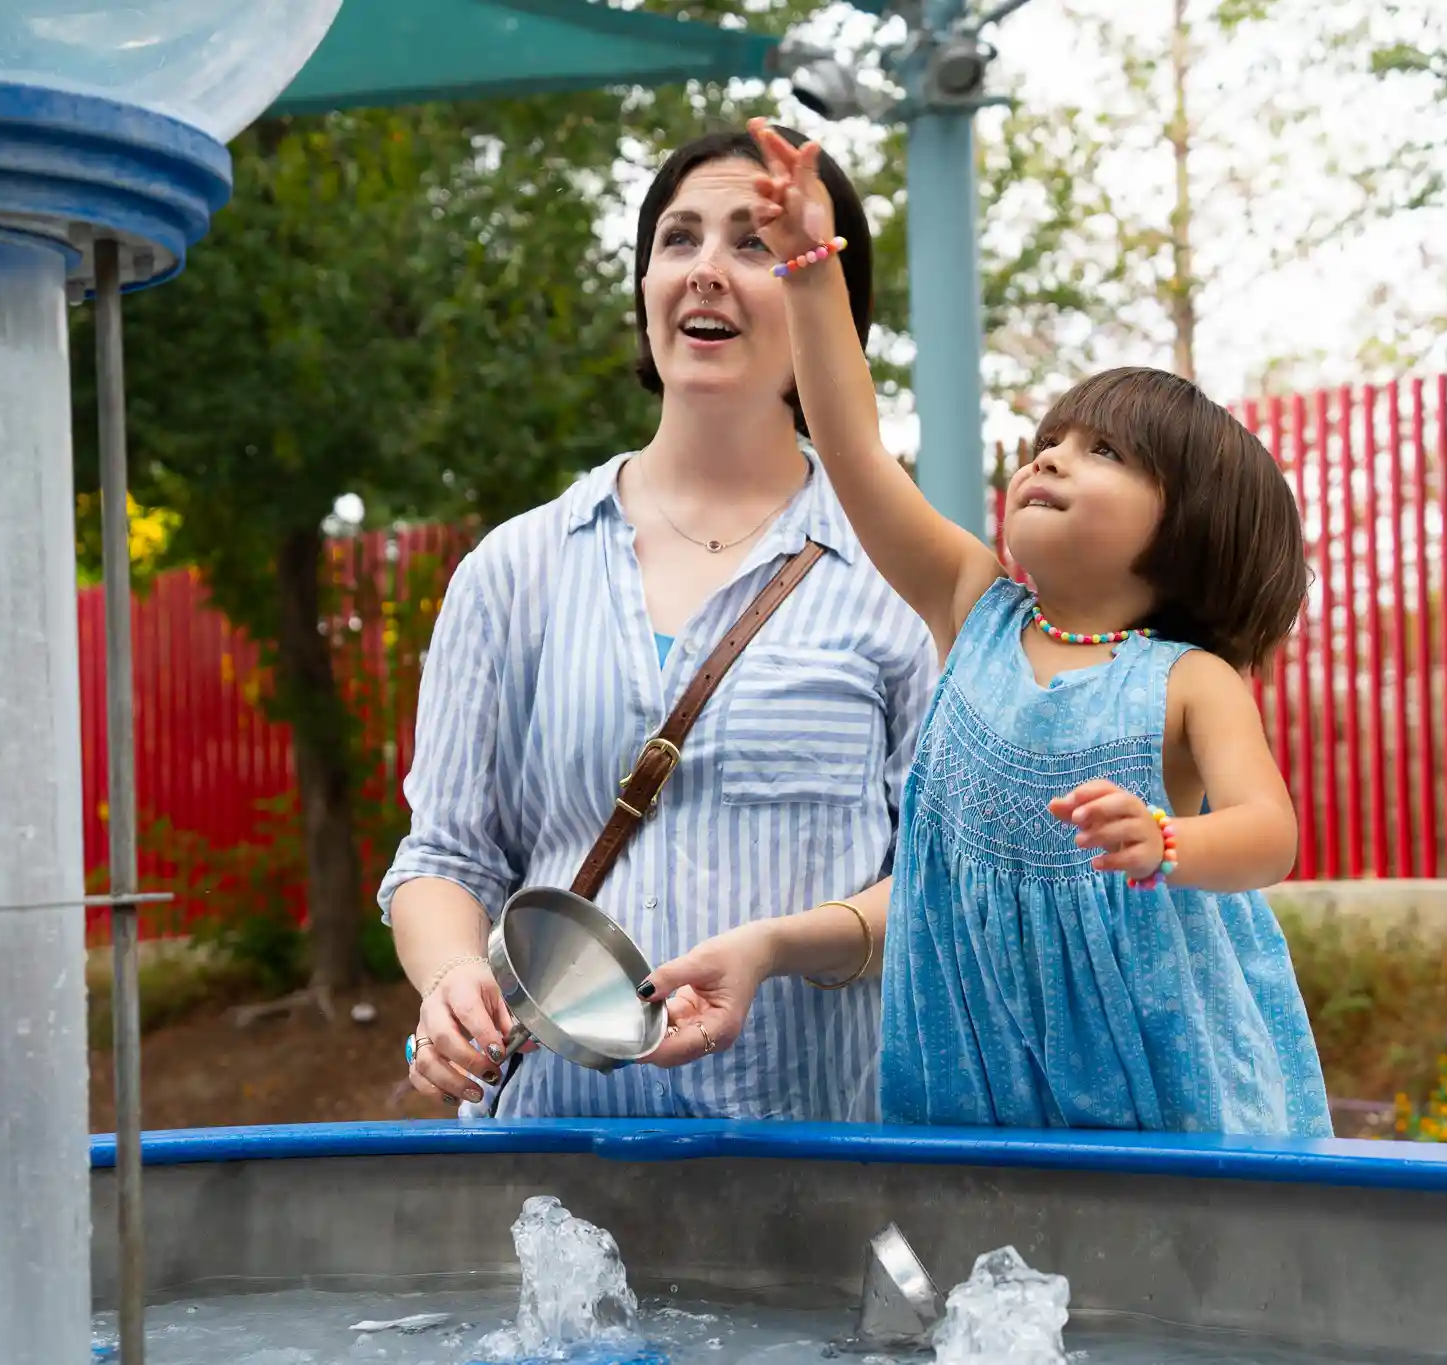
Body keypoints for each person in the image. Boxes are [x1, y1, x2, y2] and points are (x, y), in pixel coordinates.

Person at [639, 121, 1333, 1137]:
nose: (1048, 457)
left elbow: (1269, 835)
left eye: (1102, 452)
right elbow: (852, 448)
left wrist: (1167, 840)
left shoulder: (1187, 680)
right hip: (975, 1075)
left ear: (1191, 523)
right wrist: (809, 269)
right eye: (1049, 439)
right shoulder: (971, 608)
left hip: (1159, 1080)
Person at [381, 125, 936, 1122]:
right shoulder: (514, 568)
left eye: (755, 243)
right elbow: (444, 859)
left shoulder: (903, 581)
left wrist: (777, 946)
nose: (705, 269)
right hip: (550, 1155)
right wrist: (451, 977)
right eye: (678, 239)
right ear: (645, 287)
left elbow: (944, 887)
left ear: (824, 299)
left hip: (815, 1155)